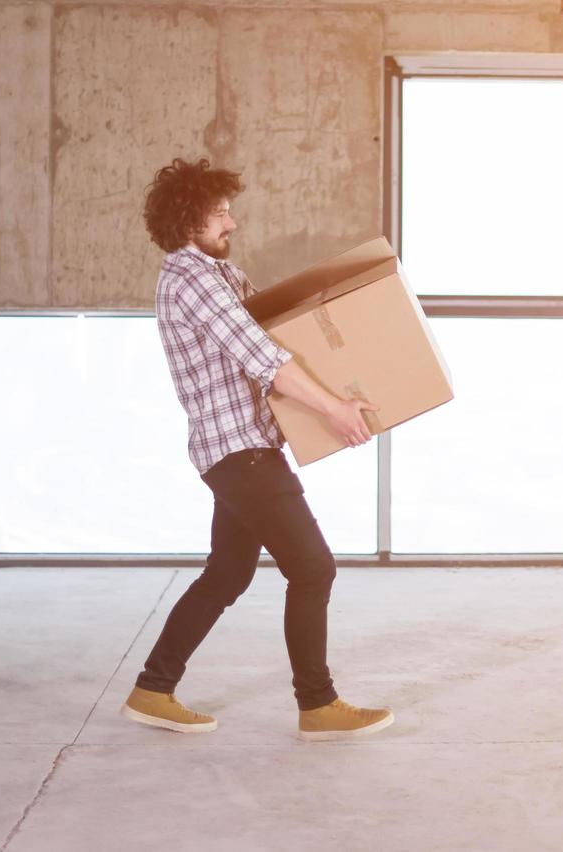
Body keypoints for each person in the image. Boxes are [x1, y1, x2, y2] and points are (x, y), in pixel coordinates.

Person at [121, 156, 394, 742]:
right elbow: (264, 357)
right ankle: (317, 705)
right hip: (238, 451)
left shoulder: (218, 274)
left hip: (243, 448)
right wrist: (333, 410)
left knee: (227, 574)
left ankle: (152, 688)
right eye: (219, 213)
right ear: (187, 220)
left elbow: (277, 324)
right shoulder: (190, 280)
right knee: (313, 567)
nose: (232, 223)